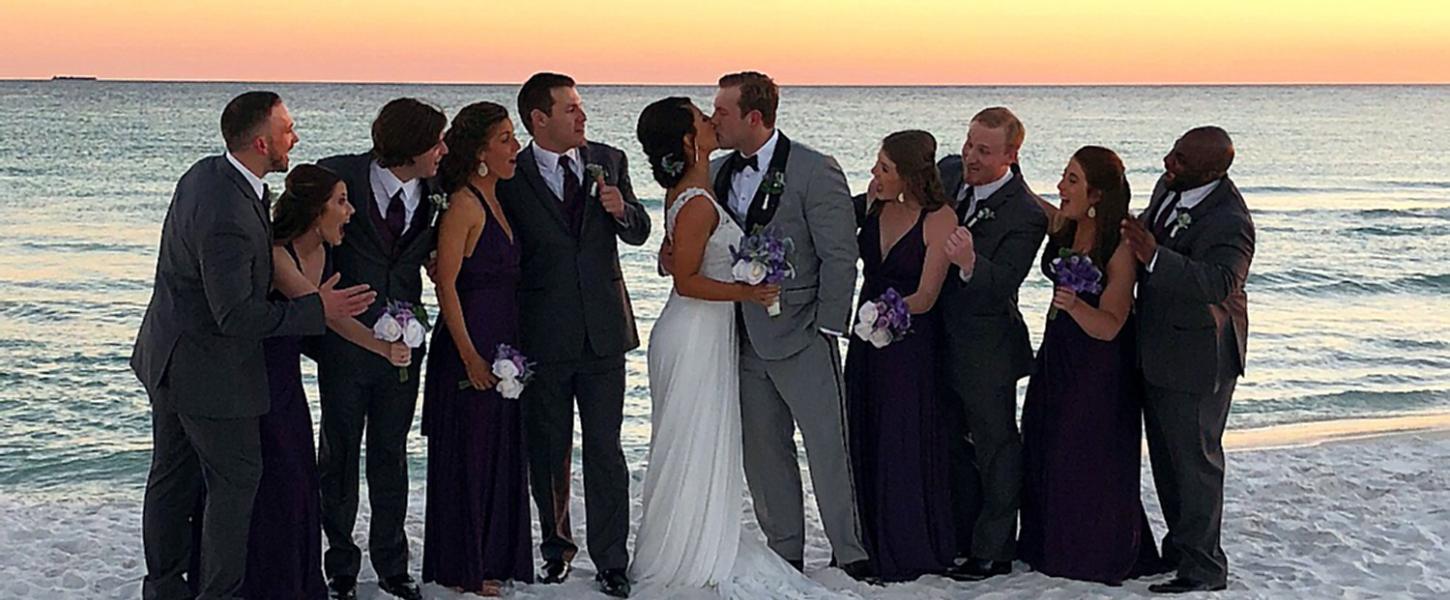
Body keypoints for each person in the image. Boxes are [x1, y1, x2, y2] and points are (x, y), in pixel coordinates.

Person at [132, 91, 372, 600]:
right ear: (262, 142)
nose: (295, 138)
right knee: (235, 484)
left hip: (167, 358)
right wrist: (315, 311)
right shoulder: (228, 213)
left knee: (171, 483)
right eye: (288, 129)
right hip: (209, 375)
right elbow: (235, 314)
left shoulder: (206, 174)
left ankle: (164, 590)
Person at [701, 70, 869, 580]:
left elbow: (841, 256)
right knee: (763, 451)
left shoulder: (816, 171)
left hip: (802, 334)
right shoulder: (715, 173)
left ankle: (851, 551)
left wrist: (827, 327)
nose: (715, 121)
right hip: (741, 335)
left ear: (755, 117)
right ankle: (786, 548)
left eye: (722, 112)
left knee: (828, 447)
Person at [498, 72, 650, 598]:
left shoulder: (608, 159)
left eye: (580, 106)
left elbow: (639, 231)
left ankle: (612, 559)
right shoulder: (510, 173)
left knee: (606, 449)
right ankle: (556, 550)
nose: (582, 116)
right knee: (548, 449)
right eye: (570, 109)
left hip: (605, 330)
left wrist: (621, 210)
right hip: (542, 333)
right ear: (539, 119)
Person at [247, 164, 414, 599]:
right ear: (314, 210)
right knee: (280, 481)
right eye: (341, 201)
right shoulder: (277, 253)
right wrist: (340, 311)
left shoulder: (324, 255)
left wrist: (383, 349)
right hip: (255, 380)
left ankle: (298, 581)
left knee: (299, 480)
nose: (351, 211)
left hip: (286, 382)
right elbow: (318, 310)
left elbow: (335, 319)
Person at [316, 98, 449, 600]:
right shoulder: (339, 175)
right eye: (435, 141)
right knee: (340, 452)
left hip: (405, 344)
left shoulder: (438, 189)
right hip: (345, 342)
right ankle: (341, 566)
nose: (443, 150)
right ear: (411, 146)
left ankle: (393, 565)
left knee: (391, 453)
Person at [1018, 146, 1166, 585]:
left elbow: (1113, 324)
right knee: (1045, 441)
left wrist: (1075, 306)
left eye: (1072, 180)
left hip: (1099, 364)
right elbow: (1036, 205)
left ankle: (1092, 552)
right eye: (1064, 177)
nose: (1062, 187)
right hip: (1059, 353)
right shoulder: (1068, 227)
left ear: (1096, 193)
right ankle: (1047, 543)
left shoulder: (1118, 248)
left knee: (1085, 454)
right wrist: (1011, 169)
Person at [1120, 127, 1255, 594]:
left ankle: (1204, 568)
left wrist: (1154, 256)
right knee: (1167, 459)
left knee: (1195, 463)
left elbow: (1220, 283)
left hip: (1201, 354)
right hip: (1158, 347)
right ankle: (1178, 549)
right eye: (1172, 152)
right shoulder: (1169, 188)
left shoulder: (1229, 220)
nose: (1166, 162)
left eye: (1179, 159)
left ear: (1213, 170)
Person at [419, 102, 531, 596]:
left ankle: (491, 558)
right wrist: (469, 356)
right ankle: (465, 565)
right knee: (470, 453)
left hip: (503, 340)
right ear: (481, 151)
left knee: (498, 453)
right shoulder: (465, 204)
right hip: (470, 345)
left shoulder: (500, 200)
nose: (516, 147)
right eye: (506, 139)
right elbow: (445, 286)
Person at [937, 107, 1048, 581]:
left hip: (987, 349)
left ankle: (994, 550)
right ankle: (957, 537)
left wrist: (969, 262)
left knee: (996, 447)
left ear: (1011, 155)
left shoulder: (1026, 213)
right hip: (936, 339)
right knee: (949, 445)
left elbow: (1003, 282)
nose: (971, 157)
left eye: (984, 151)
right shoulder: (947, 175)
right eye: (969, 145)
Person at [844, 130, 960, 581]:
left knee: (902, 438)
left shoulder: (939, 218)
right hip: (865, 339)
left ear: (909, 175)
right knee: (864, 429)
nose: (875, 174)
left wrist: (887, 312)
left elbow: (928, 295)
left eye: (884, 168)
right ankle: (863, 542)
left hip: (910, 344)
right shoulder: (874, 205)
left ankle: (907, 545)